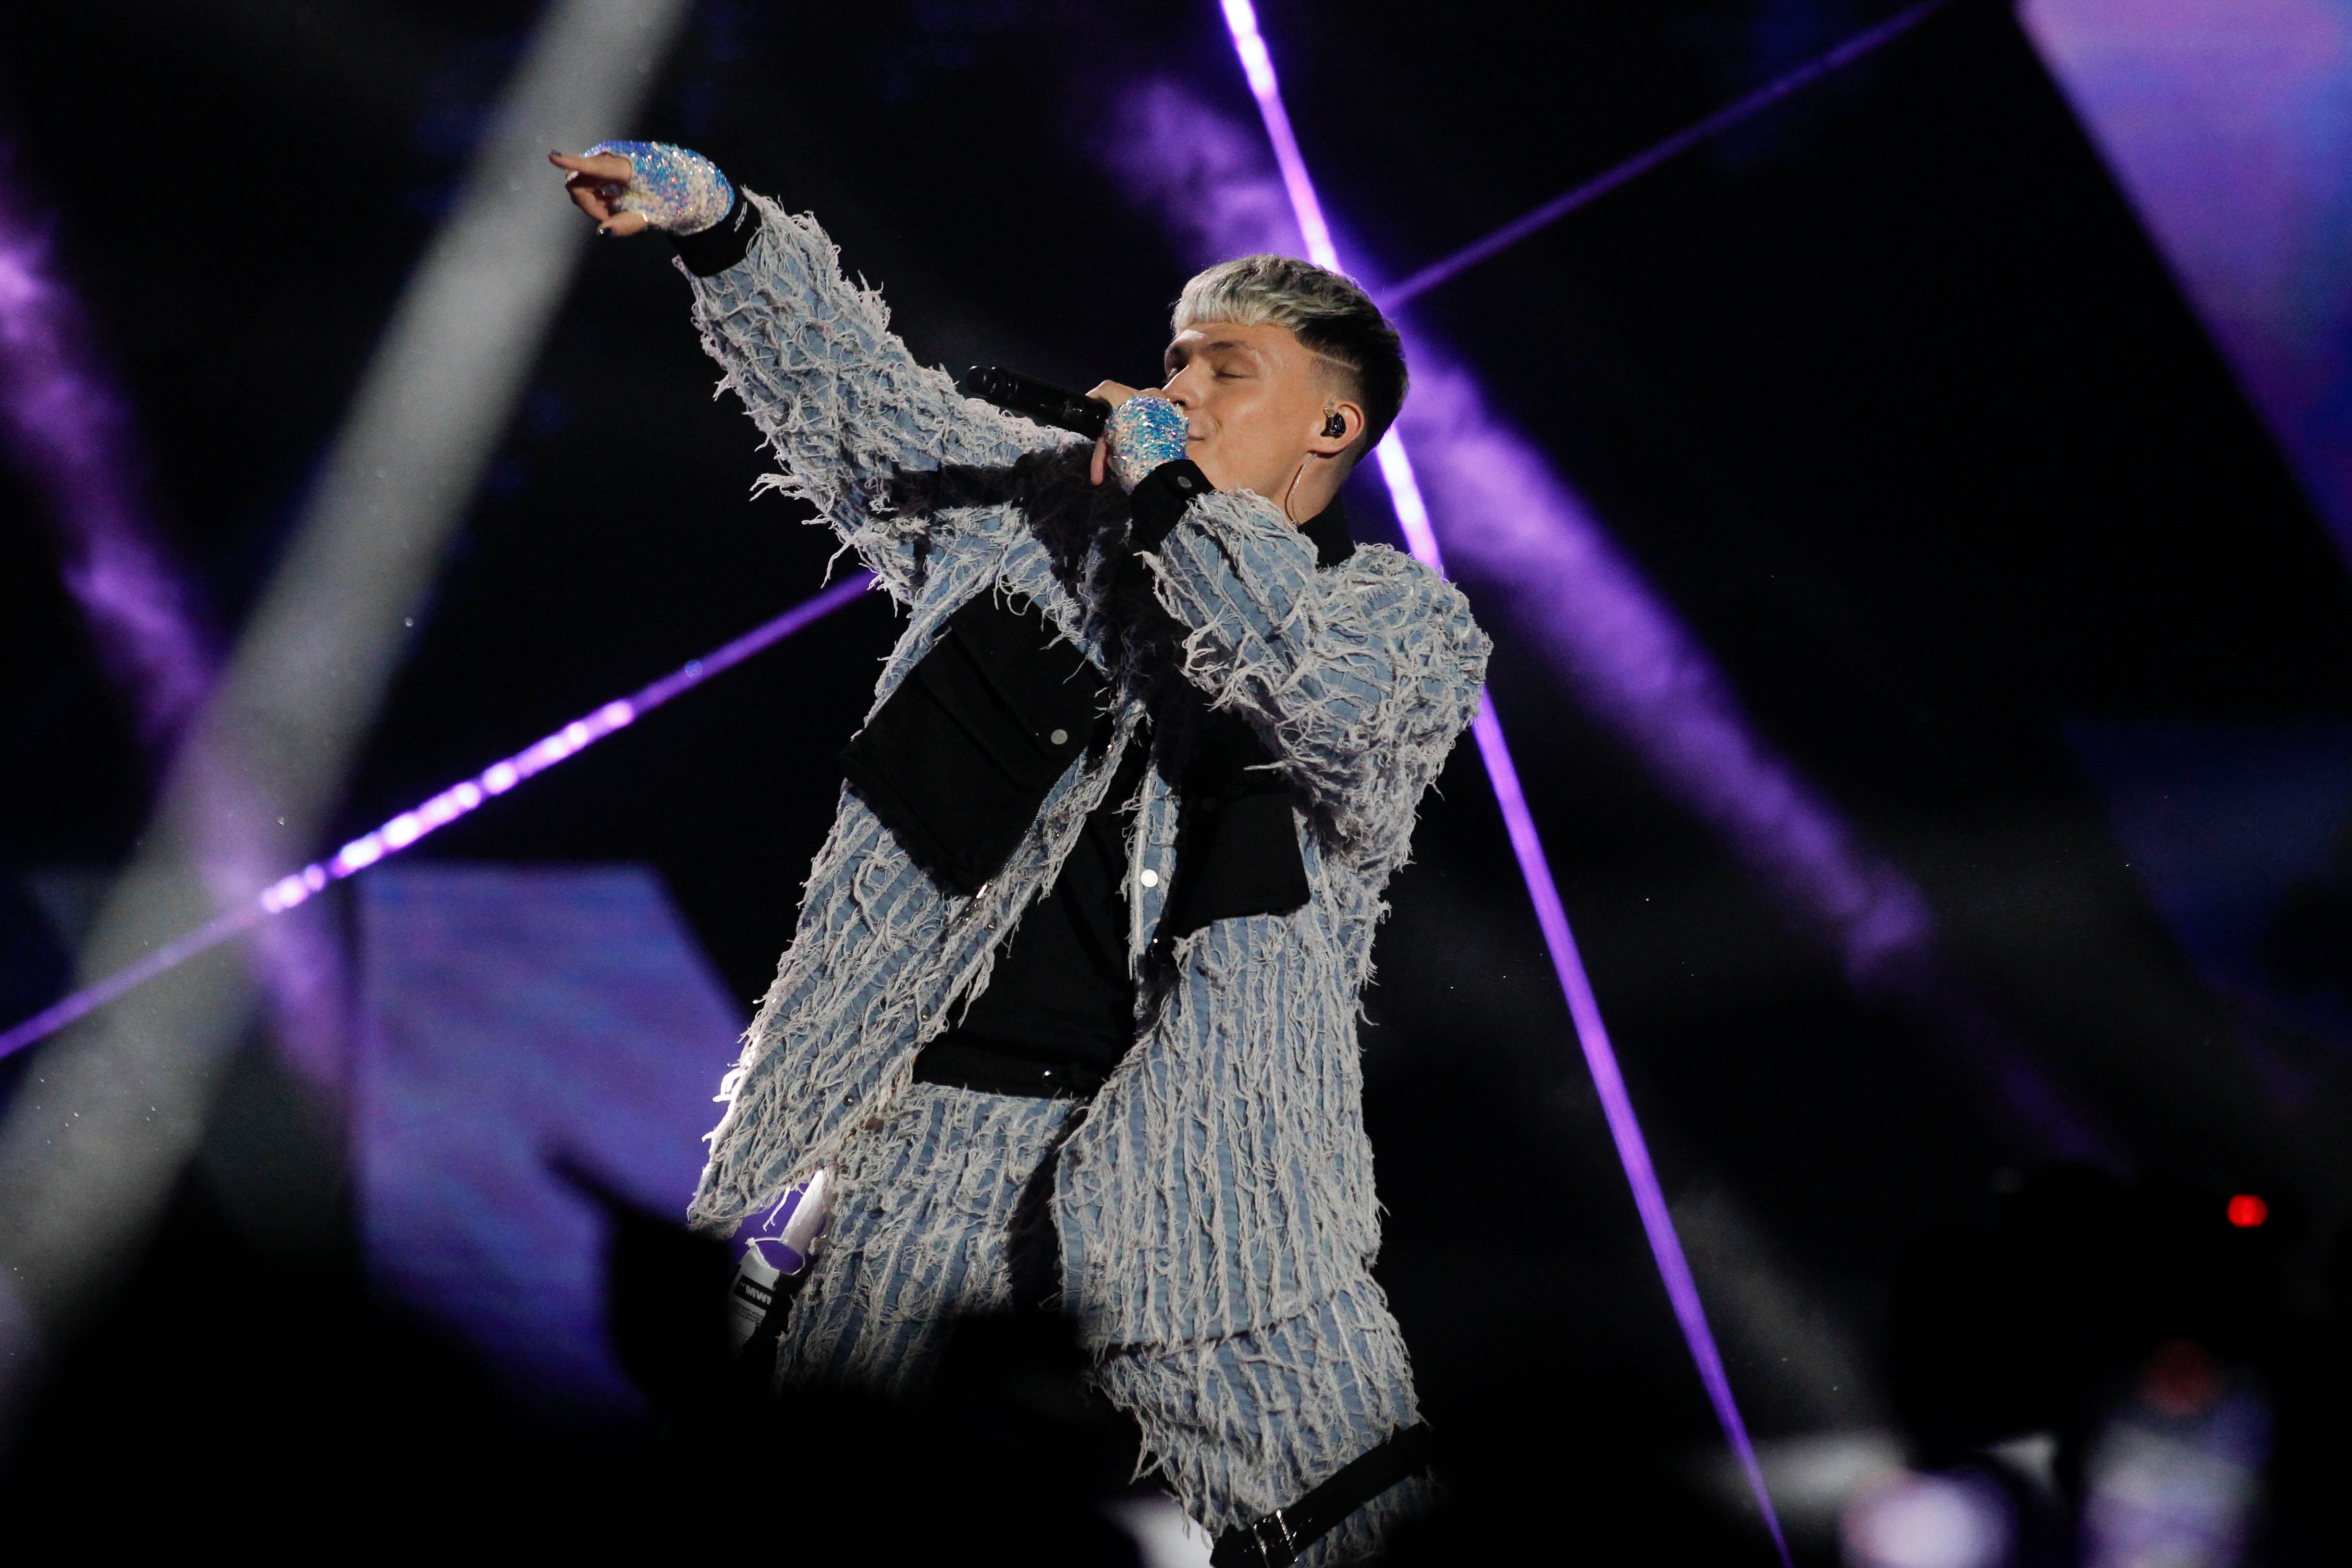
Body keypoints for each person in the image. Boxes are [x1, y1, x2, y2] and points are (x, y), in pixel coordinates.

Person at [550, 140, 1489, 1565]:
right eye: (1175, 357)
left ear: (1335, 428)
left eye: (1227, 369)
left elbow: (1314, 690)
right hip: (934, 1133)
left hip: (1226, 1167)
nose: (1178, 388)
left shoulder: (1405, 629)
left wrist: (1178, 506)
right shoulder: (1033, 523)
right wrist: (730, 231)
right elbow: (858, 403)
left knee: (1363, 1527)